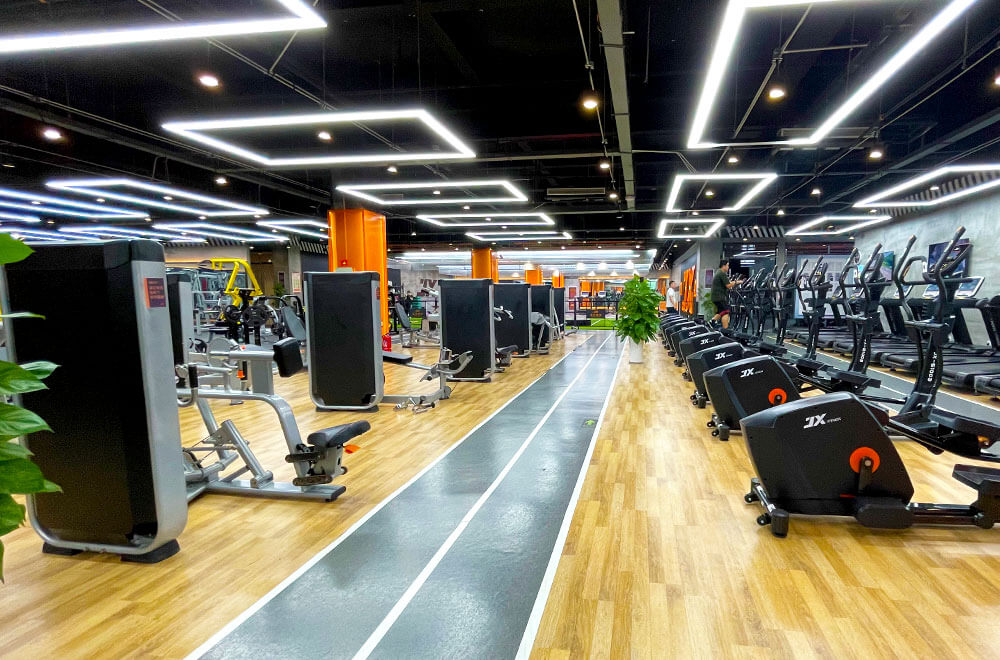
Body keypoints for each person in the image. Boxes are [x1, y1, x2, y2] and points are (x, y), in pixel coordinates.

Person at [710, 260, 742, 329]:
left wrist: (733, 283)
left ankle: (712, 322)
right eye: (727, 265)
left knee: (720, 311)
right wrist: (737, 282)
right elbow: (728, 285)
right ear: (723, 266)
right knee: (726, 311)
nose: (728, 267)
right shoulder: (722, 274)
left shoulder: (719, 272)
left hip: (716, 297)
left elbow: (726, 284)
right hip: (719, 297)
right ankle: (725, 329)